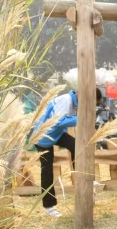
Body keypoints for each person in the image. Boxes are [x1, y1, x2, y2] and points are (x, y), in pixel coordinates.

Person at [28, 88, 103, 217]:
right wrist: (80, 118)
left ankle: (84, 177)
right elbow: (58, 121)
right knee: (47, 171)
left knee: (76, 146)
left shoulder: (75, 103)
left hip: (56, 134)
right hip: (42, 137)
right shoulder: (66, 101)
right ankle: (49, 207)